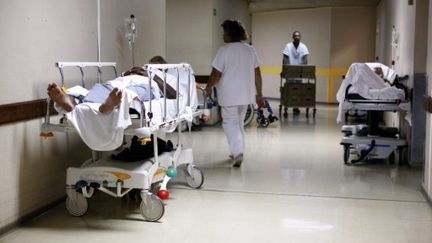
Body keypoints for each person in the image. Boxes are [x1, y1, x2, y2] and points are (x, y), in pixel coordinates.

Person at [205, 19, 264, 167]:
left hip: (229, 95)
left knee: (229, 124)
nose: (222, 36)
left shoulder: (224, 50)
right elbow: (257, 73)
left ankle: (237, 152)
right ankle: (237, 150)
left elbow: (215, 74)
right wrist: (259, 93)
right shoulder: (250, 50)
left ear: (230, 34)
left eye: (224, 32)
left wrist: (208, 87)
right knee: (238, 124)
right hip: (246, 95)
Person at [282, 30, 309, 115]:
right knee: (289, 90)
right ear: (293, 37)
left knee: (297, 90)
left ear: (300, 37)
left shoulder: (303, 47)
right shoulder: (288, 46)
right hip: (290, 72)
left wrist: (303, 71)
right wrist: (285, 70)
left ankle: (295, 107)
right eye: (295, 36)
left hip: (299, 73)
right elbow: (285, 58)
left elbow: (305, 59)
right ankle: (286, 106)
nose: (297, 37)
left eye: (298, 36)